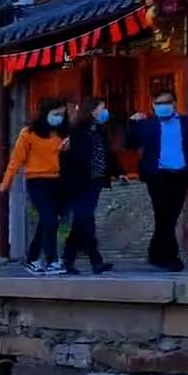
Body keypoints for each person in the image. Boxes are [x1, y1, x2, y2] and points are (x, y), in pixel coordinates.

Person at [129, 87, 188, 271]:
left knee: (169, 216)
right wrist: (132, 123)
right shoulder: (148, 125)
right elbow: (130, 142)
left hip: (179, 175)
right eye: (158, 103)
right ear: (153, 106)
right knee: (163, 215)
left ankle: (155, 253)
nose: (162, 107)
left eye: (166, 102)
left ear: (174, 103)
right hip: (157, 176)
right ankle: (168, 256)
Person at [0, 97, 69, 274]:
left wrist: (66, 151)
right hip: (37, 181)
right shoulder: (28, 134)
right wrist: (4, 185)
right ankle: (52, 261)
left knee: (47, 221)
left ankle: (32, 258)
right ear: (45, 114)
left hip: (58, 181)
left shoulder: (62, 134)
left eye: (62, 114)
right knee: (49, 219)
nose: (59, 117)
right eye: (56, 114)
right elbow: (16, 160)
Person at [59, 97, 115, 275]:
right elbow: (67, 161)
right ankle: (94, 260)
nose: (105, 112)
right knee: (85, 219)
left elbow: (107, 155)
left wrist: (119, 172)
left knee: (82, 221)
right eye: (102, 108)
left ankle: (69, 259)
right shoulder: (76, 134)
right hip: (79, 183)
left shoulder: (98, 131)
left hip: (95, 181)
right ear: (93, 111)